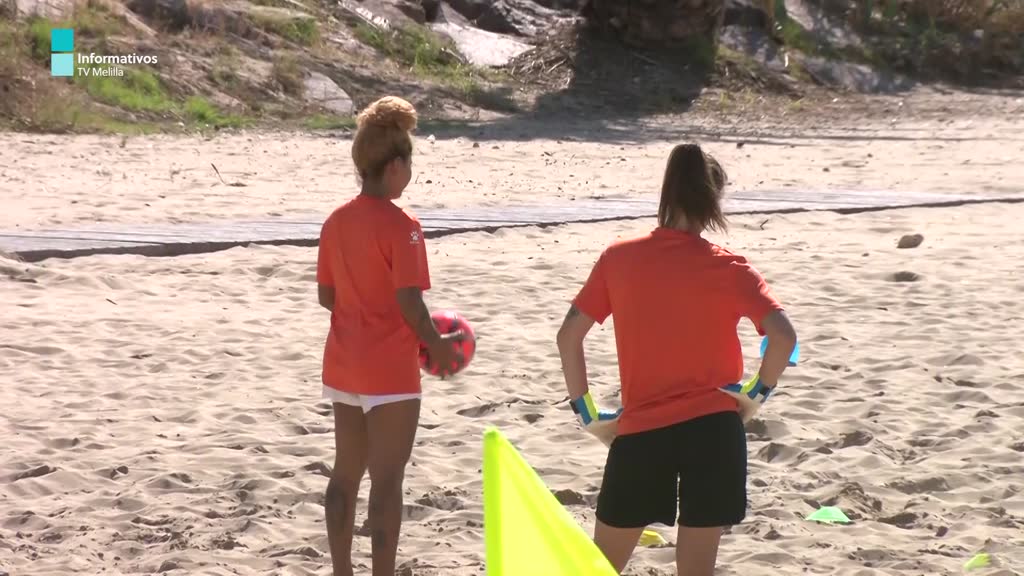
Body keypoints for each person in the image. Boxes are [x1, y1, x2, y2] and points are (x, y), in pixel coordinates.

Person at [556, 143, 798, 576]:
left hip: (643, 432)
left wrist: (587, 414)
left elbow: (568, 337)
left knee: (599, 568)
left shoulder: (618, 258)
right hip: (715, 431)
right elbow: (783, 336)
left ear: (667, 192)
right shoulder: (730, 268)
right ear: (713, 201)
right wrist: (756, 394)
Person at [316, 95, 465, 576]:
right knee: (386, 482)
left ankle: (342, 570)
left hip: (343, 362)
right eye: (410, 164)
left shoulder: (336, 221)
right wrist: (436, 343)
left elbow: (326, 295)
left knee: (345, 473)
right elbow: (410, 302)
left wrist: (360, 312)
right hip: (390, 371)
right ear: (396, 166)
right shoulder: (405, 227)